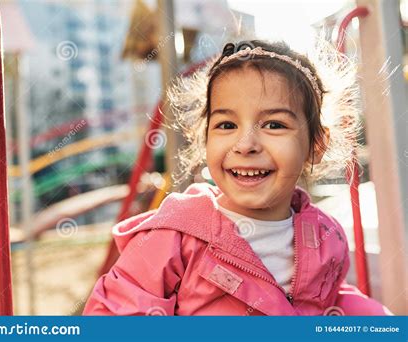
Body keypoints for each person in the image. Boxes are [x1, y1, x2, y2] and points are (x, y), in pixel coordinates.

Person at [83, 39, 392, 315]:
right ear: (204, 140)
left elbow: (331, 302)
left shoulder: (325, 236)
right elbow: (114, 315)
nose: (246, 145)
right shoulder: (174, 237)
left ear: (316, 145)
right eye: (227, 126)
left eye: (273, 125)